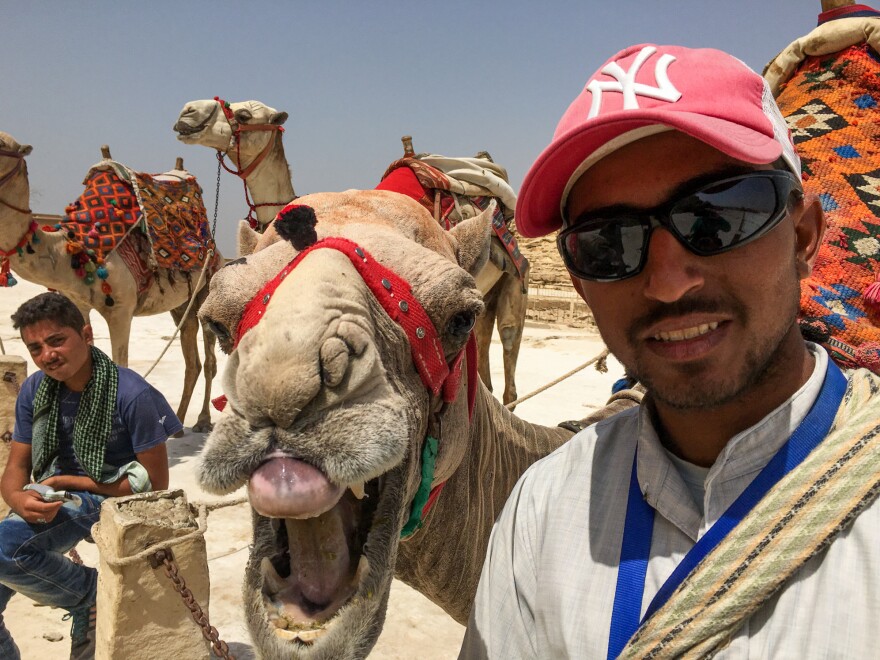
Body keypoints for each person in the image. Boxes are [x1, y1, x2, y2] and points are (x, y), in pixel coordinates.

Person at [460, 43, 880, 658]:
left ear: (804, 236)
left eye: (717, 219)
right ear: (580, 281)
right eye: (610, 242)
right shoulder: (541, 510)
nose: (666, 282)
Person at [0, 292, 182, 660]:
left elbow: (154, 485)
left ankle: (87, 594)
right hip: (53, 492)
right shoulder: (35, 390)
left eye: (56, 341)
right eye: (35, 348)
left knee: (4, 550)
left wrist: (68, 482)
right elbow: (16, 467)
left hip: (113, 499)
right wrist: (17, 498)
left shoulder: (131, 394)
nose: (46, 356)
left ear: (86, 335)